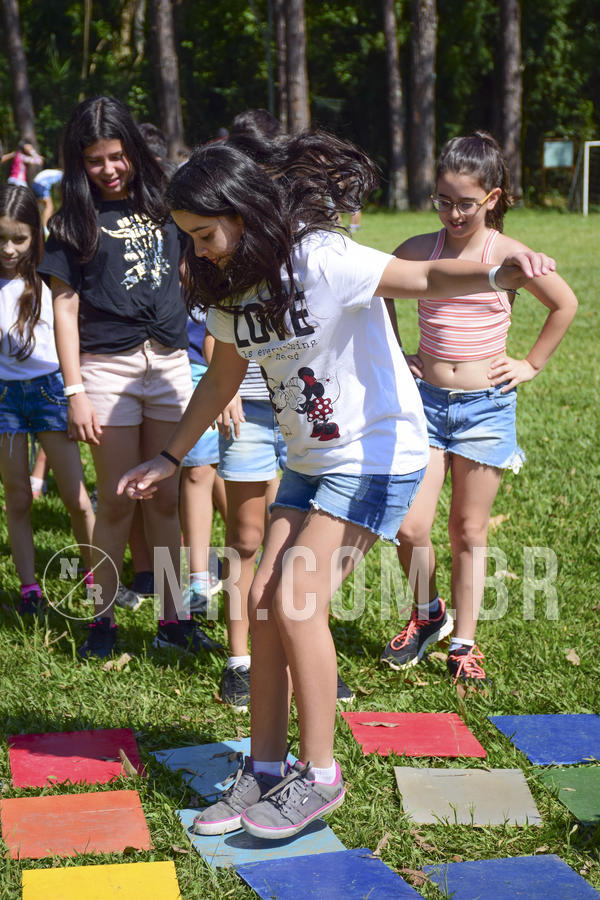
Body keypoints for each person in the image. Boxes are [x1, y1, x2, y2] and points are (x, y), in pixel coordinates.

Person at [117, 133, 554, 840]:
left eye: (203, 235)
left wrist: (498, 272)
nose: (196, 252)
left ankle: (319, 776)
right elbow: (222, 380)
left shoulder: (321, 257)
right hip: (310, 461)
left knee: (296, 601)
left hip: (377, 455)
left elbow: (424, 279)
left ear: (240, 211)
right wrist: (169, 458)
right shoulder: (233, 287)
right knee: (262, 602)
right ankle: (265, 768)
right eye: (187, 239)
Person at [380, 132, 577, 684]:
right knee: (409, 526)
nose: (453, 213)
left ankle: (464, 640)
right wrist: (398, 352)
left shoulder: (509, 256)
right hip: (424, 406)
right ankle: (428, 614)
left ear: (491, 198)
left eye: (465, 203)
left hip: (485, 409)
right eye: (442, 200)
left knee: (469, 530)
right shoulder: (419, 249)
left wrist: (530, 364)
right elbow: (381, 289)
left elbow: (564, 304)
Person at [38, 96, 219, 659]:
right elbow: (64, 309)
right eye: (95, 160)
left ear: (134, 151)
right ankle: (102, 621)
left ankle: (174, 620)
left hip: (168, 365)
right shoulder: (71, 223)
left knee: (163, 500)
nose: (109, 169)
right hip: (106, 371)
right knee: (117, 503)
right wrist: (74, 392)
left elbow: (194, 267)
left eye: (117, 156)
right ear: (78, 162)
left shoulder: (167, 207)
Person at [0, 184, 95, 614]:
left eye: (18, 238)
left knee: (76, 497)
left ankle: (94, 576)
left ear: (35, 235)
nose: (9, 249)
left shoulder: (48, 275)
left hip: (51, 392)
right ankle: (29, 589)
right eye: (1, 238)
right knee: (17, 496)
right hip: (5, 399)